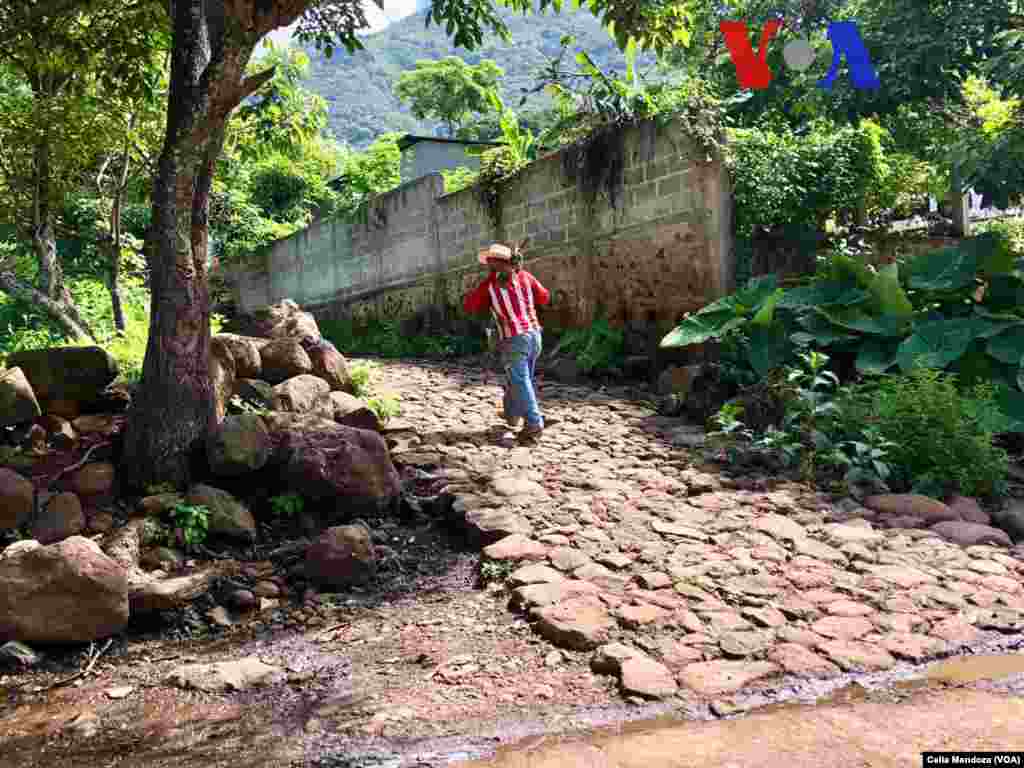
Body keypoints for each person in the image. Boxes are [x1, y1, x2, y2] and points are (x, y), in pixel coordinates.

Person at [463, 240, 550, 442]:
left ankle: (534, 423)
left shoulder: (490, 286)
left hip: (513, 339)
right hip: (535, 336)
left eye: (489, 263)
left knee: (520, 381)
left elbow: (471, 305)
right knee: (519, 379)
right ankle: (512, 415)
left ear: (493, 264)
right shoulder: (526, 277)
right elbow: (544, 297)